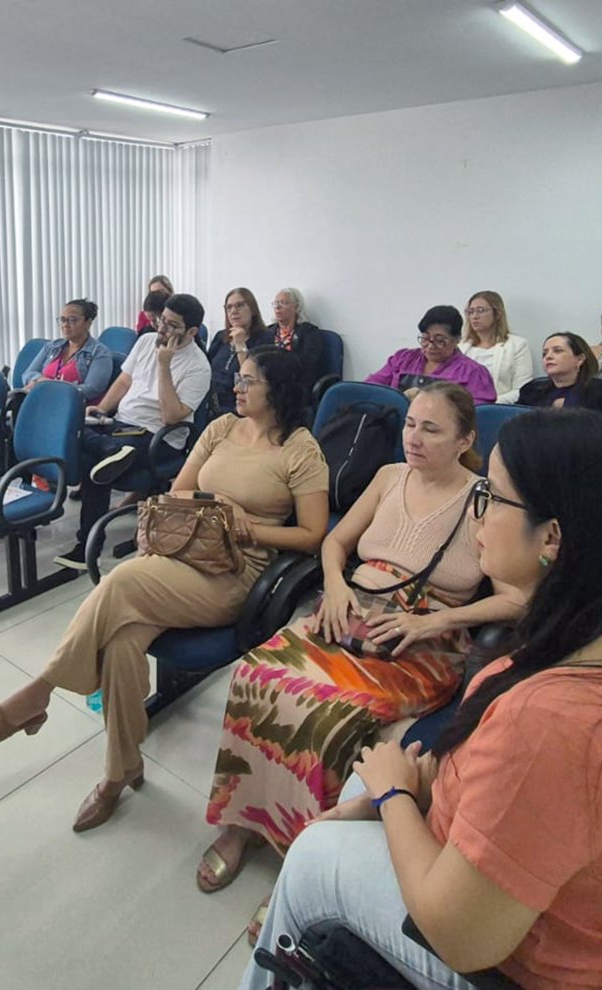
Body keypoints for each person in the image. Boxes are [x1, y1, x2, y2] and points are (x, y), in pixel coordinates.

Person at [240, 409, 602, 990]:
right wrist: (400, 794)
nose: (479, 515)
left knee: (316, 852)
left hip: (537, 966)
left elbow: (461, 937)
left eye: (492, 497)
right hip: (547, 901)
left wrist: (394, 796)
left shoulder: (551, 721)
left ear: (552, 537)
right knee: (356, 787)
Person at [201, 383, 522, 937]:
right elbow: (334, 542)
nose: (413, 437)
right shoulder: (388, 477)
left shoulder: (484, 503)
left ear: (465, 439)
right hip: (350, 614)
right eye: (411, 424)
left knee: (330, 716)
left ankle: (300, 853)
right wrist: (335, 584)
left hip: (418, 641)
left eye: (431, 429)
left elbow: (516, 598)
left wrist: (436, 622)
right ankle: (245, 820)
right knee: (256, 675)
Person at [0, 350, 329, 831]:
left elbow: (312, 536)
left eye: (249, 381)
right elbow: (178, 491)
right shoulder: (222, 429)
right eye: (238, 379)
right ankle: (120, 771)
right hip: (186, 549)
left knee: (122, 579)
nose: (237, 388)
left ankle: (38, 693)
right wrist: (218, 507)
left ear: (277, 390)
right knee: (121, 642)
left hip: (236, 573)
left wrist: (248, 528)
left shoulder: (301, 451)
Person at [51, 293, 211, 569]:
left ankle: (87, 547)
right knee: (73, 430)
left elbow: (171, 416)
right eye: (162, 320)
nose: (162, 328)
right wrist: (101, 409)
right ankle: (110, 450)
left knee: (93, 465)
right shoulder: (147, 340)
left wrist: (164, 365)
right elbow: (124, 381)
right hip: (121, 427)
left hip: (158, 437)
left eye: (172, 325)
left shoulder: (199, 366)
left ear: (192, 332)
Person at [367, 306, 496, 404]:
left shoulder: (473, 373)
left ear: (457, 340)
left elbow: (476, 416)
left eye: (439, 340)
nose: (430, 345)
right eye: (425, 338)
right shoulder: (403, 359)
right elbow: (371, 388)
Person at [19, 298, 115, 404]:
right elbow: (28, 374)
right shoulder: (52, 346)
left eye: (72, 320)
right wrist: (39, 380)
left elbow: (92, 389)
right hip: (42, 401)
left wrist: (51, 387)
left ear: (88, 323)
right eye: (62, 319)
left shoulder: (100, 353)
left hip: (72, 405)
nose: (65, 324)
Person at [515, 333, 602, 416]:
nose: (548, 356)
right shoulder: (532, 390)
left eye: (558, 351)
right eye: (544, 353)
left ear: (579, 359)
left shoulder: (601, 391)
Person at [459, 291, 534, 404]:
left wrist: (490, 403)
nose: (474, 316)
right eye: (470, 312)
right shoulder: (461, 347)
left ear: (497, 314)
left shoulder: (517, 345)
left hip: (498, 407)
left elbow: (523, 390)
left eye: (481, 310)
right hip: (463, 409)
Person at [206, 287, 272, 415]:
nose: (233, 311)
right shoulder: (221, 337)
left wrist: (240, 345)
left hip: (240, 407)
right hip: (211, 405)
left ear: (252, 309)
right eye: (229, 307)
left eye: (239, 305)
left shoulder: (265, 338)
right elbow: (206, 369)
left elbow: (252, 381)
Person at [267, 287, 326, 375]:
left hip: (297, 378)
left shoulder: (309, 332)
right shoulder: (268, 331)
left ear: (296, 306)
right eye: (276, 303)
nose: (278, 307)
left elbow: (307, 363)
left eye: (283, 303)